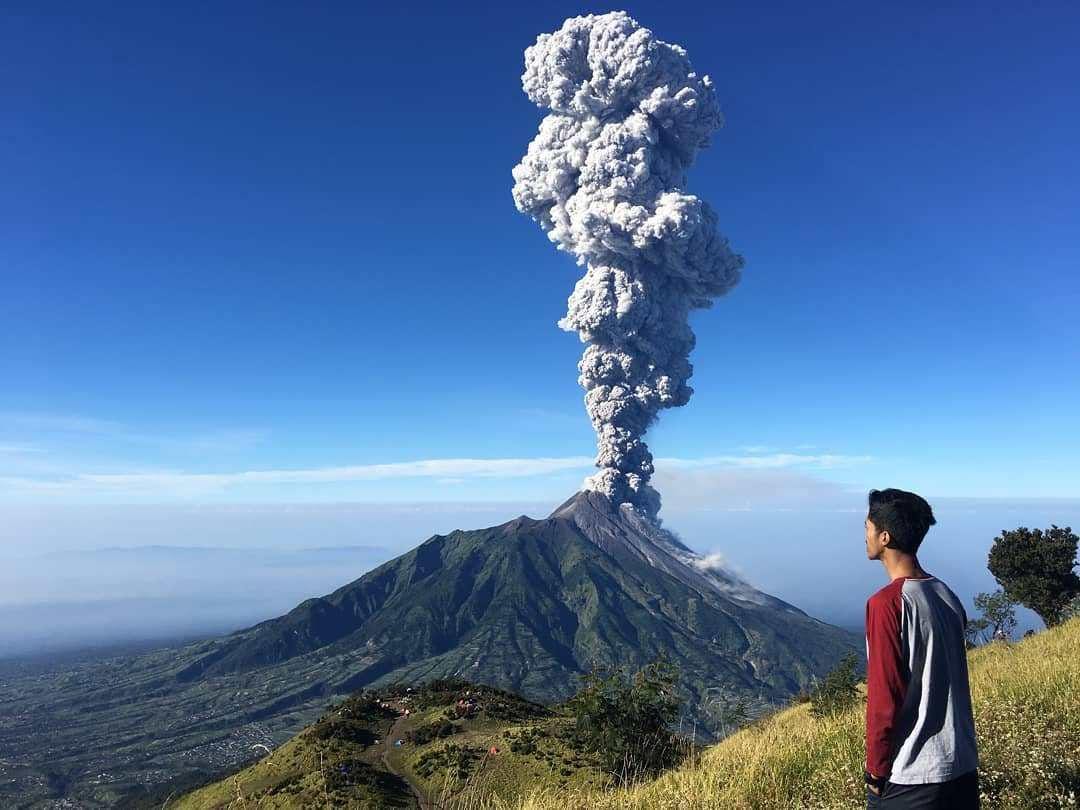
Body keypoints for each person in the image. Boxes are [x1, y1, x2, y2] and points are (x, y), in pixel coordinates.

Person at [863, 488, 979, 808]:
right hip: (963, 766)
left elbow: (885, 696)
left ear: (884, 537)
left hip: (912, 777)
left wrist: (875, 769)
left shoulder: (887, 604)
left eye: (867, 527)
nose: (865, 535)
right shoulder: (945, 593)